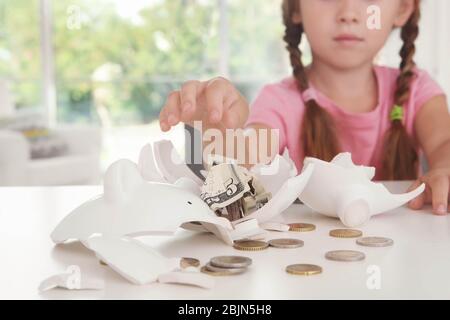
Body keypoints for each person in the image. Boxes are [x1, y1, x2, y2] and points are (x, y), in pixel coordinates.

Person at [159, 0, 450, 215]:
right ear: (295, 7)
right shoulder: (280, 101)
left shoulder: (417, 90)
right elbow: (246, 163)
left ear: (402, 8)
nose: (348, 13)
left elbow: (444, 144)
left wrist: (445, 169)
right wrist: (214, 131)